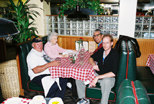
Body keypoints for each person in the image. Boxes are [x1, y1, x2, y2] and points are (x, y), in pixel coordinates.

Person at [76, 34, 119, 104]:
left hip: (108, 78)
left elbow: (113, 73)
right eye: (103, 43)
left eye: (107, 43)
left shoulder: (115, 55)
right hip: (97, 75)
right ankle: (84, 99)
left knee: (106, 81)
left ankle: (103, 103)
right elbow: (91, 58)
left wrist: (97, 78)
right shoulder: (101, 50)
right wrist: (93, 64)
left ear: (111, 43)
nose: (105, 45)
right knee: (79, 78)